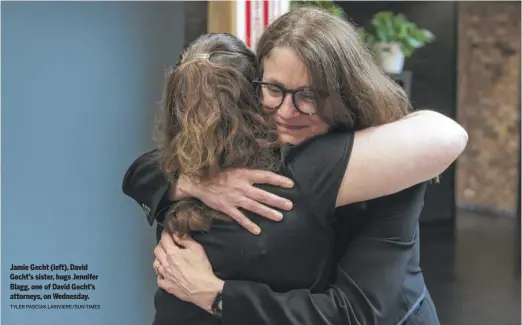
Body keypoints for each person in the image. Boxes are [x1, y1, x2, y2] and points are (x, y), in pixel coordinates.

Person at [123, 7, 468, 325]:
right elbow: (147, 168)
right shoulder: (265, 135)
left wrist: (216, 295)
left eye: (310, 94)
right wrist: (194, 182)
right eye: (274, 88)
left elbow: (357, 312)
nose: (287, 111)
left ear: (346, 91)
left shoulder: (388, 162)